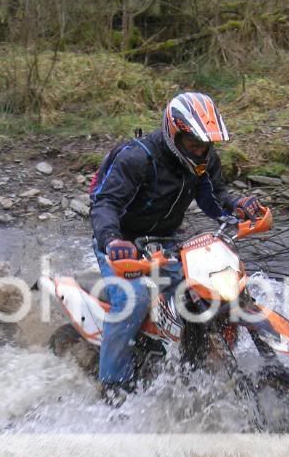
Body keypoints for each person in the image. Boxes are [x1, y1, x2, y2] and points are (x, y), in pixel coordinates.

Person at [90, 91, 263, 397]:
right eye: (193, 144)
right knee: (134, 301)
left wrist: (238, 207)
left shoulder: (205, 160)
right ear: (175, 134)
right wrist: (113, 240)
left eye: (205, 145)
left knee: (213, 289)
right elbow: (105, 204)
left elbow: (214, 199)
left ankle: (195, 361)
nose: (200, 152)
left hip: (167, 242)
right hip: (122, 245)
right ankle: (113, 386)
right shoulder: (137, 158)